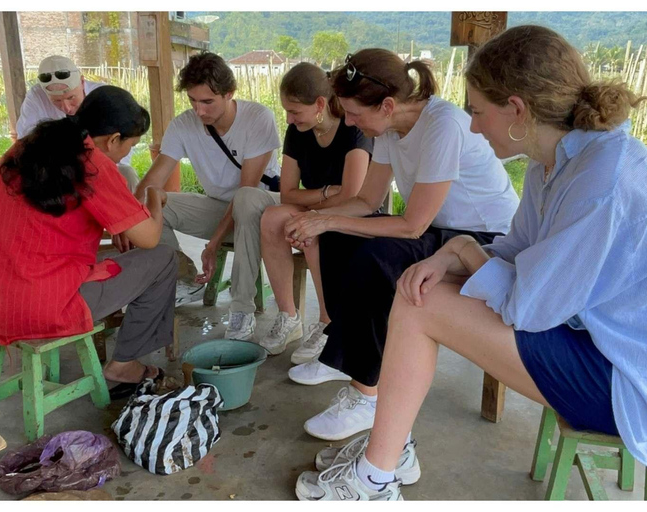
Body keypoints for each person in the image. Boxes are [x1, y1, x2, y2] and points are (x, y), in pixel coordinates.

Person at [295, 25, 647, 501]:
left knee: (421, 303)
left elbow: (529, 307)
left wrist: (461, 249)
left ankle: (375, 477)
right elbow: (515, 248)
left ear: (517, 110)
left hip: (622, 380)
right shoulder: (556, 162)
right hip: (587, 335)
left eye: (479, 112)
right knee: (417, 286)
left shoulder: (599, 177)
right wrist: (449, 255)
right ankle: (388, 451)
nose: (475, 126)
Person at [284, 48, 520, 442]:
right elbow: (365, 201)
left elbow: (412, 226)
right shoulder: (391, 127)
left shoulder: (443, 124)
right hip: (441, 231)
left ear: (388, 104)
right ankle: (344, 351)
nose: (352, 122)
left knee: (380, 257)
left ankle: (367, 394)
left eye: (356, 114)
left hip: (485, 240)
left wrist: (326, 217)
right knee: (336, 237)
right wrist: (319, 221)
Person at [0, 86, 176, 397]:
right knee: (163, 259)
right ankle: (124, 364)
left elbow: (53, 219)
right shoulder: (91, 162)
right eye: (129, 145)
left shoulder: (26, 148)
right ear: (113, 139)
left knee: (108, 257)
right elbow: (149, 237)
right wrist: (154, 194)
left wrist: (117, 221)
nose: (126, 154)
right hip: (41, 306)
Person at [135, 52, 282, 341]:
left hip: (262, 211)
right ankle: (177, 278)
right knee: (154, 204)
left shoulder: (257, 118)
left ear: (229, 94)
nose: (199, 111)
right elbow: (153, 181)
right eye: (192, 100)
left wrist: (213, 244)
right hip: (218, 207)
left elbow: (245, 191)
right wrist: (127, 217)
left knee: (246, 204)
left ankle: (241, 311)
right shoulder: (183, 124)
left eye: (207, 102)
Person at [259, 62, 372, 362]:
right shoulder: (297, 131)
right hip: (315, 206)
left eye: (294, 111)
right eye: (286, 110)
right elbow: (287, 193)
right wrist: (323, 193)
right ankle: (289, 316)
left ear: (320, 104)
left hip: (355, 216)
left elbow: (352, 196)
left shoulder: (352, 130)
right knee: (272, 217)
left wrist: (311, 209)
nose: (289, 118)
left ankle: (328, 321)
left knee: (309, 229)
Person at [15, 55, 139, 193]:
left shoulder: (104, 96)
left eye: (71, 97)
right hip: (57, 169)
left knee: (127, 174)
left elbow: (124, 139)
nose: (66, 107)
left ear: (81, 81)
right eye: (56, 101)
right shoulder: (35, 96)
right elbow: (26, 142)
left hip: (102, 165)